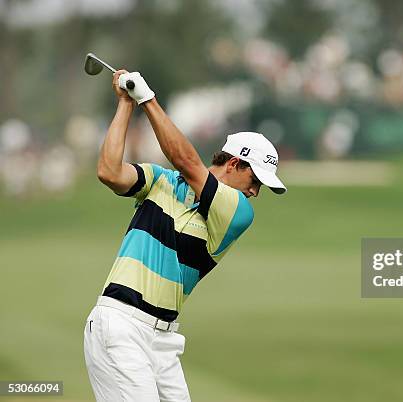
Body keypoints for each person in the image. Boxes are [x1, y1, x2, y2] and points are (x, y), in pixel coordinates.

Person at [83, 69, 286, 402]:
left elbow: (186, 160)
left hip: (163, 342)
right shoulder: (160, 180)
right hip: (121, 325)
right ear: (234, 164)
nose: (256, 192)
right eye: (256, 181)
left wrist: (147, 99)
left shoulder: (237, 212)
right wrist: (125, 104)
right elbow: (109, 171)